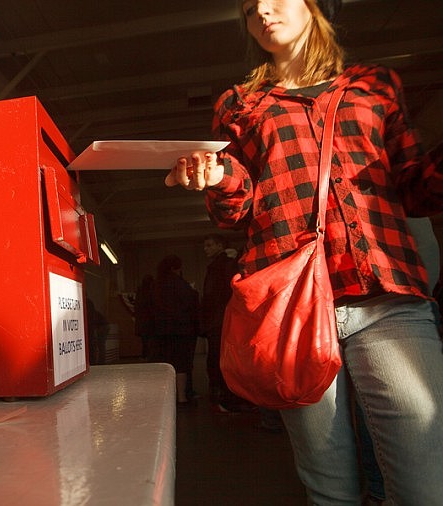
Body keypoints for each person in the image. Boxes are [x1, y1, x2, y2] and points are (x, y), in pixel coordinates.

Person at [164, 0, 443, 503]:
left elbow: (416, 187)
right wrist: (219, 177)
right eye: (250, 10)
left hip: (385, 299)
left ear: (315, 8)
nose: (263, 13)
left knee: (423, 486)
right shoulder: (240, 103)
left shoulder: (375, 86)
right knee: (329, 489)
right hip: (289, 308)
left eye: (274, 0)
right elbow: (237, 208)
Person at [199, 233, 248, 412]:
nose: (206, 249)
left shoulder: (220, 265)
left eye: (210, 245)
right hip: (224, 318)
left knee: (218, 359)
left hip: (218, 319)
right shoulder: (227, 262)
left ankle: (225, 398)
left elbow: (213, 294)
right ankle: (229, 397)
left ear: (220, 245)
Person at [152, 254, 201, 404]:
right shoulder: (180, 284)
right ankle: (181, 397)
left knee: (166, 363)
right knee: (181, 363)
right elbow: (190, 303)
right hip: (180, 329)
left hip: (161, 330)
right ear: (176, 268)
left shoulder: (157, 284)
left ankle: (166, 397)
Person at [134, 274, 156, 360]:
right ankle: (150, 355)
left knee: (145, 341)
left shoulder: (140, 291)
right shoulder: (153, 291)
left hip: (142, 321)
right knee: (151, 341)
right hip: (151, 321)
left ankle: (145, 355)